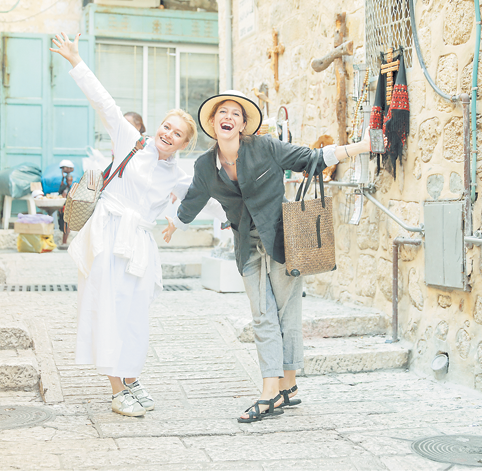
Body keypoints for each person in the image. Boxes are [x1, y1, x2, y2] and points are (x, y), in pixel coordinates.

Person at [168, 91, 371, 423]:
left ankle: (277, 390)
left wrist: (360, 147)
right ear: (213, 123)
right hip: (246, 247)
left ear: (243, 125)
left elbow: (312, 158)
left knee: (283, 312)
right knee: (264, 314)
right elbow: (194, 198)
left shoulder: (265, 147)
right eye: (222, 112)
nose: (228, 116)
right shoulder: (205, 165)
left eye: (235, 113)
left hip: (282, 241)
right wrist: (175, 223)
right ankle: (280, 388)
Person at [50, 32, 198, 417]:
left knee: (134, 314)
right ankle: (117, 390)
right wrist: (76, 60)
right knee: (109, 309)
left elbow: (204, 199)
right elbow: (104, 101)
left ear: (184, 144)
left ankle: (131, 378)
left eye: (177, 134)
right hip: (108, 233)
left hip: (139, 244)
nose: (168, 134)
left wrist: (176, 221)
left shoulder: (178, 175)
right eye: (166, 126)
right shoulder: (131, 139)